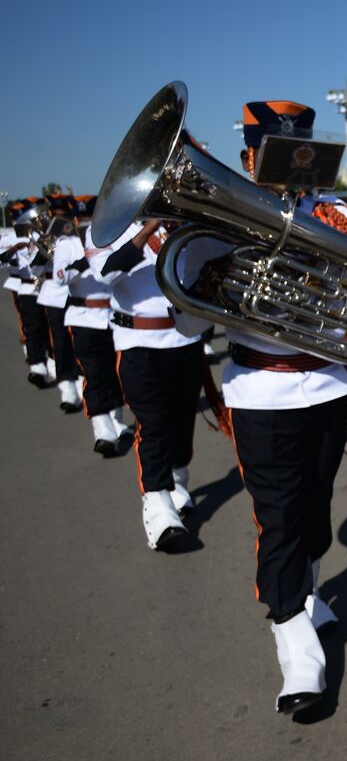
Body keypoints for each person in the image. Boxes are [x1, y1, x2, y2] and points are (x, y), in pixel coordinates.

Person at [172, 98, 347, 715]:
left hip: (325, 386)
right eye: (277, 153)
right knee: (279, 516)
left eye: (302, 155)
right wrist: (217, 264)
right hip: (261, 392)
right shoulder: (215, 222)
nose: (294, 166)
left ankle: (307, 594)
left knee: (315, 507)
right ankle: (295, 644)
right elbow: (187, 314)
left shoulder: (330, 214)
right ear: (249, 156)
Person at [97, 217, 202, 550]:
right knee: (153, 423)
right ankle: (158, 511)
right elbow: (106, 274)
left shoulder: (183, 230)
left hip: (184, 342)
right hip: (138, 343)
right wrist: (146, 231)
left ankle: (177, 484)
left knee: (183, 420)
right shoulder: (113, 231)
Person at [51, 205, 131, 454]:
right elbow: (60, 276)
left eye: (91, 218)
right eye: (83, 219)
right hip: (84, 317)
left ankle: (116, 421)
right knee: (94, 372)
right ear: (74, 221)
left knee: (115, 372)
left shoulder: (114, 238)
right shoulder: (67, 244)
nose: (87, 222)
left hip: (113, 316)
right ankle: (102, 430)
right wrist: (87, 259)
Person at [35, 194, 83, 412]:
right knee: (61, 342)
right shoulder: (43, 233)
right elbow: (36, 267)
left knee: (81, 344)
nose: (60, 218)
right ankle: (68, 391)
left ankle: (85, 386)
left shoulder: (78, 236)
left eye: (64, 215)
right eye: (57, 215)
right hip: (56, 295)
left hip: (79, 294)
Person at [2, 202, 52, 386]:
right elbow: (4, 261)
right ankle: (37, 366)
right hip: (28, 288)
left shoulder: (43, 235)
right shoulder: (10, 237)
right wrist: (16, 250)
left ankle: (52, 362)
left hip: (49, 288)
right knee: (33, 327)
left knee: (53, 328)